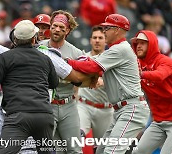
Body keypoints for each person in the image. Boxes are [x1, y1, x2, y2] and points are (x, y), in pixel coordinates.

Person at [67, 14, 150, 154]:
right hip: (121, 109)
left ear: (117, 30)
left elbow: (91, 67)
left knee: (112, 152)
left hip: (131, 109)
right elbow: (93, 68)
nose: (104, 31)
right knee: (101, 151)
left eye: (107, 28)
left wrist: (66, 61)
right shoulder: (115, 49)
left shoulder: (120, 49)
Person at [0, 20, 59, 154]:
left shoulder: (4, 58)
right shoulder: (45, 58)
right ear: (34, 39)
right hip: (44, 115)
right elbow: (54, 84)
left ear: (15, 38)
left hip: (17, 116)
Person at [39, 10, 85, 154]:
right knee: (47, 149)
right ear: (50, 26)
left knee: (74, 149)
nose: (57, 30)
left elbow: (83, 79)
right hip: (46, 105)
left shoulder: (76, 53)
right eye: (54, 26)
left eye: (61, 28)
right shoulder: (39, 48)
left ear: (68, 30)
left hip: (68, 105)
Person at [131, 30, 172, 154]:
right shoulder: (137, 64)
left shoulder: (165, 61)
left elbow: (160, 75)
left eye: (143, 43)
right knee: (138, 152)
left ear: (152, 44)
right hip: (158, 122)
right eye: (137, 43)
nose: (138, 46)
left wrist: (140, 74)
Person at [77, 25, 113, 152]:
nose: (97, 40)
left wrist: (105, 81)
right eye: (95, 37)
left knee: (101, 149)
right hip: (84, 105)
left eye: (100, 38)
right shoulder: (83, 58)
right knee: (77, 135)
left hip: (105, 109)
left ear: (105, 40)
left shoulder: (112, 60)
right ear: (90, 40)